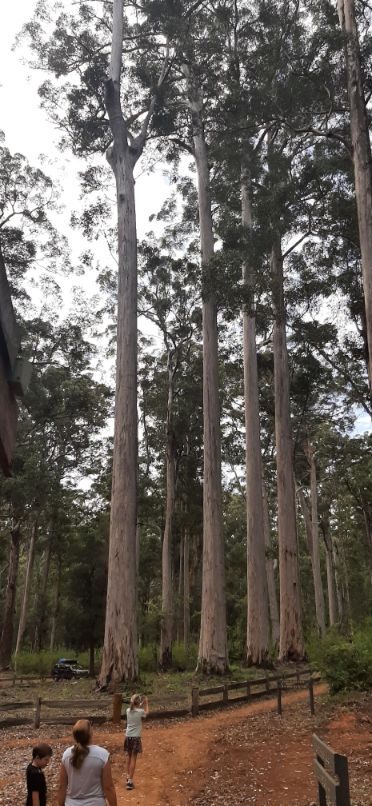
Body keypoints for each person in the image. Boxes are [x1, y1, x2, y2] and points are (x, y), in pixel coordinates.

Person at [57, 719, 117, 806]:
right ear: (90, 734)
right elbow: (108, 787)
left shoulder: (66, 755)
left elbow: (62, 787)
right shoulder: (102, 755)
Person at [124, 693, 149, 790]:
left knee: (129, 757)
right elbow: (146, 713)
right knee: (134, 758)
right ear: (138, 703)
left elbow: (136, 708)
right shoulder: (140, 711)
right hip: (135, 738)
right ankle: (130, 782)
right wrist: (146, 703)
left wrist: (141, 703)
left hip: (128, 737)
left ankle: (127, 776)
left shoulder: (128, 710)